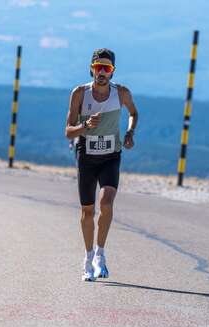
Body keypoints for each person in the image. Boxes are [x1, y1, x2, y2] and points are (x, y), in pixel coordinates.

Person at [65, 48, 138, 281]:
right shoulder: (79, 94)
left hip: (110, 156)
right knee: (87, 211)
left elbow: (134, 113)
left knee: (106, 203)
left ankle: (100, 255)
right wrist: (86, 126)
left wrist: (129, 133)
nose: (102, 73)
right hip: (86, 156)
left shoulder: (122, 93)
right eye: (98, 68)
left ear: (112, 72)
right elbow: (68, 131)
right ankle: (87, 260)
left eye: (107, 68)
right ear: (92, 69)